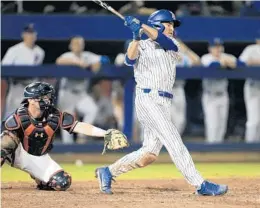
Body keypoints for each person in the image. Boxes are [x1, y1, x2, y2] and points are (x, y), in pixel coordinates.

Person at [95, 9, 228, 196]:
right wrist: (135, 35)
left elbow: (162, 40)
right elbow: (129, 59)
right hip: (147, 99)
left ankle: (108, 171)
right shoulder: (141, 45)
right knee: (173, 139)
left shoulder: (172, 44)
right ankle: (200, 184)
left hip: (164, 101)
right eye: (168, 24)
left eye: (172, 24)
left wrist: (141, 26)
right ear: (158, 24)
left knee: (148, 155)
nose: (172, 28)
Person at [1, 82, 127, 191]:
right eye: (43, 97)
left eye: (48, 96)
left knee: (62, 182)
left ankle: (40, 178)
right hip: (18, 154)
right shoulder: (18, 117)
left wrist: (104, 133)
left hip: (39, 156)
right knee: (7, 139)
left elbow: (79, 126)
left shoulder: (54, 115)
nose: (47, 100)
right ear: (31, 100)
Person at [56, 36, 110, 143]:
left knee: (92, 110)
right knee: (67, 123)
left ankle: (82, 137)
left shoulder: (87, 55)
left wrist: (98, 63)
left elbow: (105, 59)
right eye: (75, 43)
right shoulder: (68, 55)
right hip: (67, 92)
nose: (78, 46)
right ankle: (68, 149)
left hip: (81, 94)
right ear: (70, 46)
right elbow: (59, 61)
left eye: (80, 43)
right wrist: (77, 62)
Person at [201, 38, 242, 143]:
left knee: (221, 126)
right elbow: (213, 66)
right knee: (212, 125)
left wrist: (227, 62)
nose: (218, 49)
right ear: (210, 48)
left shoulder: (226, 56)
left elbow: (241, 64)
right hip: (210, 96)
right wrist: (225, 63)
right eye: (215, 46)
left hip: (223, 95)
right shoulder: (206, 58)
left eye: (219, 46)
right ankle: (210, 150)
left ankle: (217, 153)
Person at [2, 24, 45, 118]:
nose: (31, 36)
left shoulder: (40, 52)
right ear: (23, 35)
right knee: (11, 118)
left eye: (33, 33)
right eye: (28, 33)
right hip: (17, 87)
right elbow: (4, 69)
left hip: (32, 90)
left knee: (31, 119)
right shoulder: (14, 50)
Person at [171, 39, 201, 135]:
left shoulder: (182, 57)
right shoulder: (160, 53)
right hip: (163, 89)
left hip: (178, 89)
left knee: (180, 121)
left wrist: (184, 49)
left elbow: (197, 61)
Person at [239, 37, 260, 143]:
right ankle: (249, 146)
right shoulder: (251, 49)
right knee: (253, 120)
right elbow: (241, 63)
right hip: (253, 86)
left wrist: (254, 62)